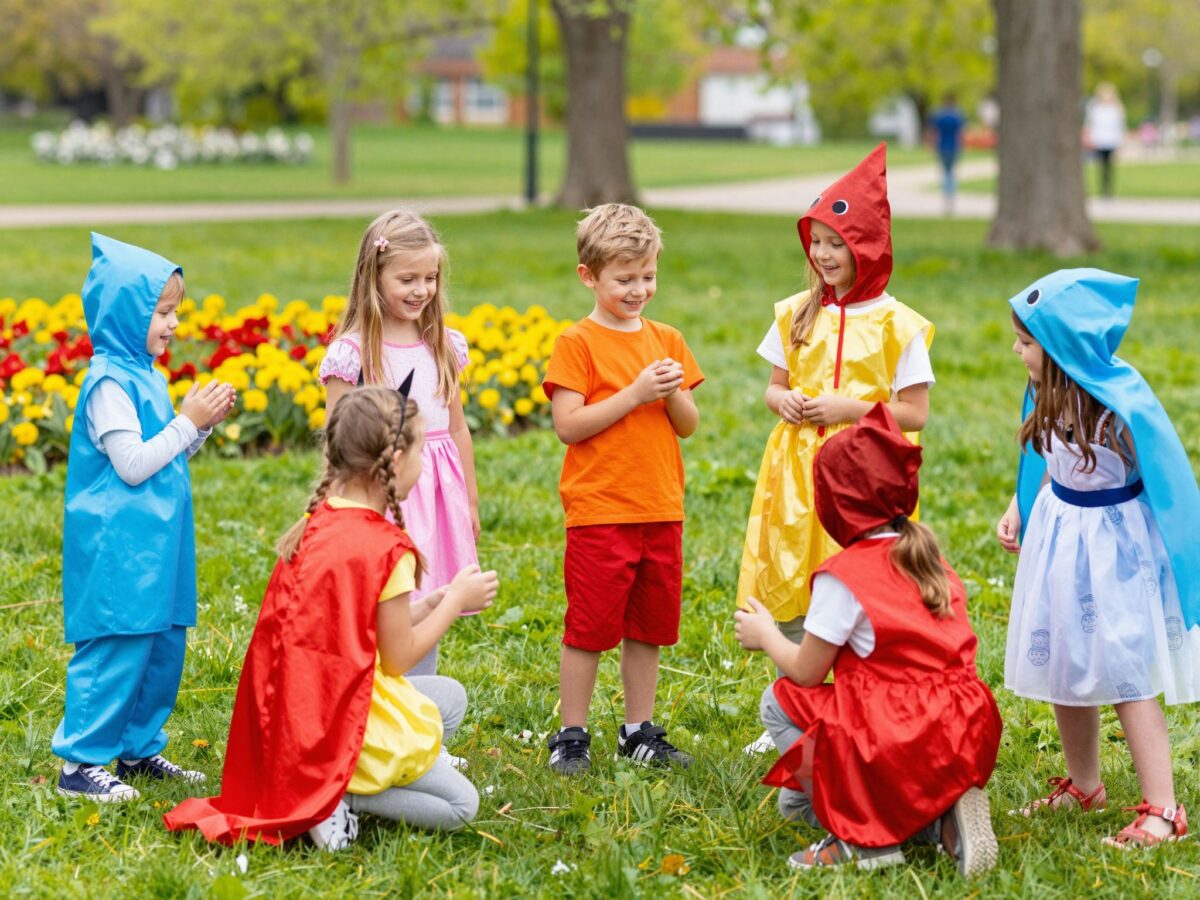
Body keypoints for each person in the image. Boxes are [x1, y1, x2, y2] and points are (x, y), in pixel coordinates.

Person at [164, 385, 499, 849]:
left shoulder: (322, 520)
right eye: (420, 452)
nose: (424, 465)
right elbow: (398, 657)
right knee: (463, 806)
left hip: (304, 712)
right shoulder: (387, 547)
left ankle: (346, 784)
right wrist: (453, 601)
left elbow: (367, 623)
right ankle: (340, 796)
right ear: (395, 463)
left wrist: (433, 600)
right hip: (340, 724)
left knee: (451, 700)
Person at [736, 403, 1001, 874]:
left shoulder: (846, 577)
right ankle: (939, 817)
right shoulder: (928, 558)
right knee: (795, 809)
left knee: (778, 700)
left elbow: (806, 672)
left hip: (897, 731)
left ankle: (862, 839)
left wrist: (767, 635)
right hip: (961, 731)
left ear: (835, 503)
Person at [736, 143, 935, 755]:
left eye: (836, 243)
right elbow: (773, 389)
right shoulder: (796, 313)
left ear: (867, 247)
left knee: (858, 589)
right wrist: (787, 403)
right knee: (794, 579)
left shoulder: (900, 325)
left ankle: (853, 703)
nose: (822, 255)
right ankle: (794, 708)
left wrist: (852, 410)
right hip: (798, 475)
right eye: (815, 242)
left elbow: (914, 413)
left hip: (866, 486)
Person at [997, 269, 1200, 848]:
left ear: (1062, 344)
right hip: (1062, 543)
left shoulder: (1118, 406)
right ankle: (1085, 785)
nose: (1017, 349)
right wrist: (1018, 505)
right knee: (1064, 660)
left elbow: (1164, 480)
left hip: (1113, 553)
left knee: (1127, 672)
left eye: (1026, 340)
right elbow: (1046, 464)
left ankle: (1162, 807)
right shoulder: (1045, 392)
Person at [55, 233, 236, 801]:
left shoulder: (146, 375)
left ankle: (137, 748)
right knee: (117, 645)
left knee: (161, 645)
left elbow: (164, 454)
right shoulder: (109, 383)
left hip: (158, 542)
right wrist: (187, 422)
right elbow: (133, 465)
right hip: (118, 548)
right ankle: (80, 763)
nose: (173, 323)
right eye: (162, 312)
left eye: (175, 312)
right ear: (125, 314)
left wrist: (197, 427)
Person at [541, 203, 703, 776]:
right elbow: (569, 425)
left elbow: (687, 424)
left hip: (660, 507)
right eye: (625, 279)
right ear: (589, 276)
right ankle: (572, 734)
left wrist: (670, 391)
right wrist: (634, 394)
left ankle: (638, 730)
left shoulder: (667, 339)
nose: (639, 290)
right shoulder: (577, 343)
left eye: (648, 277)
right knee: (589, 627)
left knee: (649, 626)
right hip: (600, 511)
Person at [320, 210, 479, 678]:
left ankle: (420, 723)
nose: (421, 290)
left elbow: (456, 429)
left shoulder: (442, 346)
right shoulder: (353, 353)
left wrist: (469, 499)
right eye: (407, 278)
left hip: (436, 495)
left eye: (430, 278)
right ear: (374, 275)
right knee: (384, 598)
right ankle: (380, 709)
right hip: (378, 495)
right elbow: (338, 443)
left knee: (427, 599)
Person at [1084, 83, 1126, 198]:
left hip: (1111, 141)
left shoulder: (1116, 109)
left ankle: (1109, 190)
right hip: (1099, 141)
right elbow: (1091, 125)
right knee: (1101, 166)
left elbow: (1119, 127)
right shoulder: (1095, 108)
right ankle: (1102, 190)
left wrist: (1120, 142)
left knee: (1109, 167)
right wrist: (1090, 138)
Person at [929, 92, 967, 214]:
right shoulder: (957, 117)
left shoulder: (939, 117)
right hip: (954, 148)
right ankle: (951, 197)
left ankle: (946, 197)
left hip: (942, 148)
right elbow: (961, 134)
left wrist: (932, 146)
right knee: (951, 173)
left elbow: (935, 133)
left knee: (945, 173)